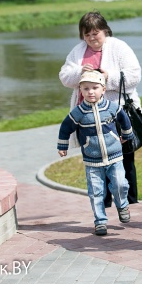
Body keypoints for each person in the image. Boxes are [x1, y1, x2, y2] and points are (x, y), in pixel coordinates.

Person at [59, 11, 141, 207]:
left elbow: (135, 75)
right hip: (87, 117)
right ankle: (104, 203)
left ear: (105, 30)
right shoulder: (78, 52)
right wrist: (80, 72)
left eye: (95, 33)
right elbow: (64, 77)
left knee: (124, 159)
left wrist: (108, 76)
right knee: (95, 160)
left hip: (116, 113)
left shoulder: (119, 47)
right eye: (87, 35)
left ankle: (131, 202)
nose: (91, 38)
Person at [57, 70, 134, 236]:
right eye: (86, 88)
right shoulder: (78, 113)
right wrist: (62, 146)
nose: (90, 92)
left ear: (103, 89)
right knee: (96, 191)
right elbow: (65, 128)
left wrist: (127, 135)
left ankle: (122, 205)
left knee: (120, 184)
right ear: (81, 91)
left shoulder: (112, 108)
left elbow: (124, 119)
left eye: (94, 88)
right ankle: (100, 221)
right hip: (92, 160)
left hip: (114, 156)